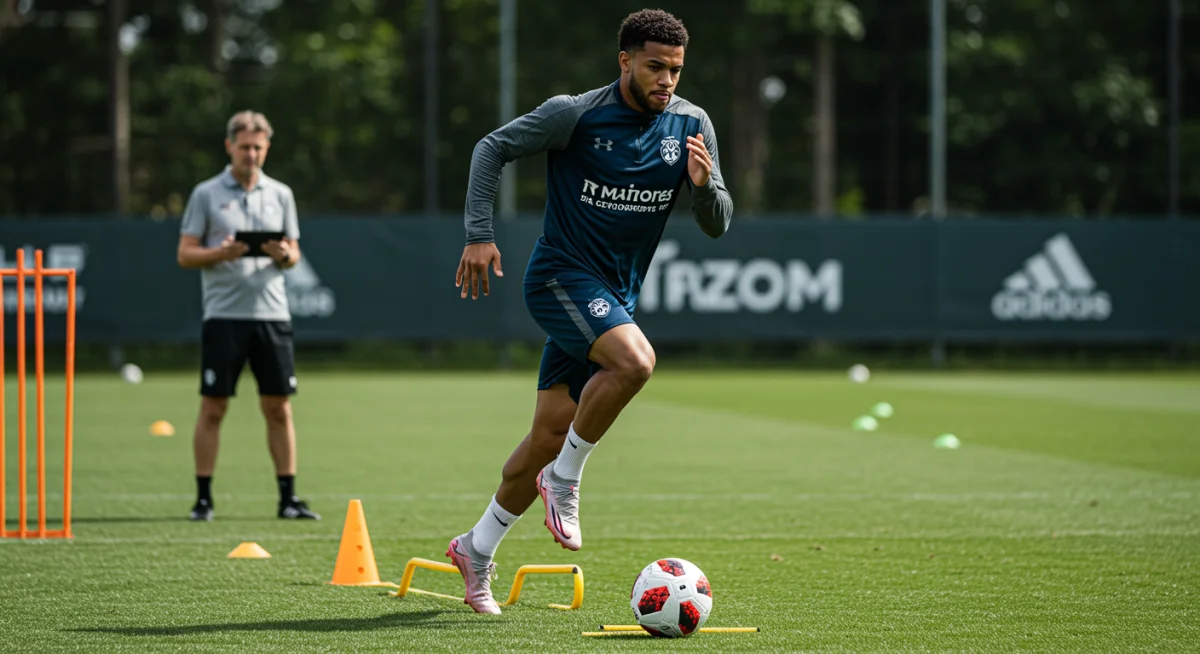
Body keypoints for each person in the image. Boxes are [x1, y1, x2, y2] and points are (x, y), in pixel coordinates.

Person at [447, 9, 733, 613]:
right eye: (655, 66)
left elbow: (718, 225)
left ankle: (477, 547)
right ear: (624, 60)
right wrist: (479, 232)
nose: (667, 80)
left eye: (676, 70)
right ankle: (565, 480)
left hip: (613, 298)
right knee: (635, 361)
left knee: (547, 435)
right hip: (558, 281)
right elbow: (490, 148)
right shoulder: (573, 113)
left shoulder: (691, 123)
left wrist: (705, 187)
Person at [176, 110, 320, 522]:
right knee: (214, 406)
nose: (251, 154)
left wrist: (285, 254)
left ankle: (288, 499)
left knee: (279, 407)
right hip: (223, 316)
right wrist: (219, 253)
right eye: (244, 147)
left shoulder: (280, 194)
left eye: (258, 147)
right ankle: (203, 499)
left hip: (272, 315)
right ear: (229, 147)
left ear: (267, 148)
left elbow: (293, 254)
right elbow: (185, 253)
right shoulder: (206, 194)